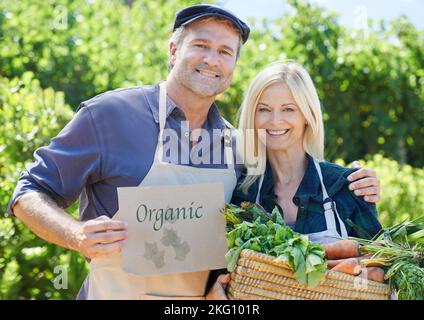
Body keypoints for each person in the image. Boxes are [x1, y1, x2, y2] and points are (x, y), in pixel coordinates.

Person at [6, 5, 380, 300]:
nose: (212, 59)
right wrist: (76, 234)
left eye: (225, 51)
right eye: (201, 45)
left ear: (233, 65)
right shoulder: (110, 116)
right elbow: (28, 192)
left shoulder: (239, 148)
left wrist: (357, 180)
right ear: (173, 50)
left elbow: (287, 185)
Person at [233, 61, 382, 243]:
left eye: (288, 109)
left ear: (307, 115)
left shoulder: (346, 187)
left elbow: (378, 264)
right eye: (264, 109)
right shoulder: (243, 195)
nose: (275, 120)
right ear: (252, 116)